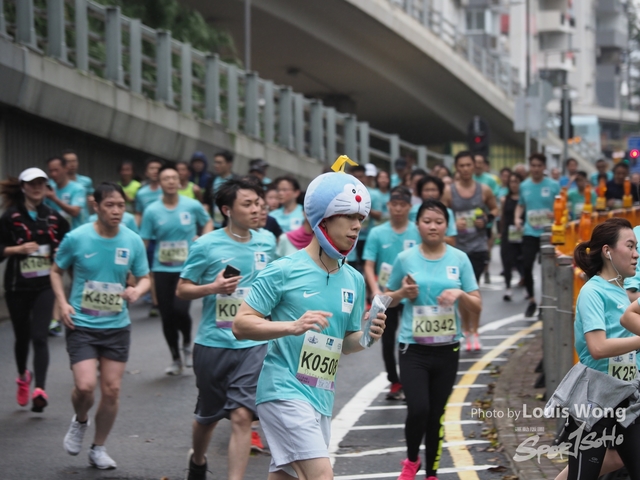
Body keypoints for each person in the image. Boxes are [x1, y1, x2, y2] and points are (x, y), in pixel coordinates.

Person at [233, 165, 386, 480]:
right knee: (320, 475)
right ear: (323, 219)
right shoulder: (283, 270)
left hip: (321, 396)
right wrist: (291, 326)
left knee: (287, 476)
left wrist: (368, 336)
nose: (357, 226)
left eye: (360, 218)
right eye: (349, 216)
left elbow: (346, 343)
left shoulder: (354, 280)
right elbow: (241, 324)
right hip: (282, 391)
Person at [177, 177, 276, 480]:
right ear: (227, 210)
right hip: (213, 343)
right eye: (247, 204)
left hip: (253, 343)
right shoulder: (205, 245)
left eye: (257, 203)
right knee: (207, 418)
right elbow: (182, 289)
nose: (255, 209)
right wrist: (213, 287)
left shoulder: (267, 241)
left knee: (243, 416)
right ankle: (198, 459)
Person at [51, 182, 149, 470]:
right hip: (81, 323)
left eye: (121, 205)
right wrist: (63, 303)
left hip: (116, 325)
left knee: (112, 390)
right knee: (85, 387)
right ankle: (80, 420)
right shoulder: (76, 238)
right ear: (95, 206)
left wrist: (137, 290)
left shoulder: (132, 240)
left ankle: (98, 447)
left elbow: (145, 277)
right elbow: (56, 271)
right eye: (110, 205)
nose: (117, 211)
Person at [385, 199, 481, 480]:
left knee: (436, 413)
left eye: (439, 222)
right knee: (418, 409)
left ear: (446, 226)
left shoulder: (459, 259)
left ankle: (432, 473)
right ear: (417, 225)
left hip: (447, 349)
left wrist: (460, 294)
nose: (433, 226)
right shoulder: (405, 259)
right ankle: (412, 460)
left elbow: (477, 304)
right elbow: (387, 299)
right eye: (427, 221)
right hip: (413, 348)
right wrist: (402, 294)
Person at [551, 218, 640, 480]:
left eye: (637, 247)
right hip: (594, 400)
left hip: (626, 397)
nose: (636, 254)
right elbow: (598, 347)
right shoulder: (592, 292)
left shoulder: (622, 291)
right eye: (630, 246)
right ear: (607, 251)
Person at [0, 168, 70, 412]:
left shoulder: (54, 217)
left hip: (44, 285)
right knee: (22, 337)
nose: (37, 187)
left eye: (41, 183)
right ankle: (23, 376)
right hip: (17, 286)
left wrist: (60, 253)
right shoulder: (10, 217)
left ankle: (40, 389)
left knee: (40, 336)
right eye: (32, 183)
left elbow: (68, 245)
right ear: (23, 187)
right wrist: (16, 250)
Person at [140, 165, 212, 375]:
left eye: (174, 177)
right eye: (166, 178)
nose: (171, 181)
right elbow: (144, 241)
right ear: (159, 183)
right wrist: (138, 270)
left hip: (186, 269)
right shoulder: (152, 210)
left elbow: (207, 221)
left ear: (179, 182)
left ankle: (187, 343)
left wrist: (203, 238)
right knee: (167, 315)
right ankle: (175, 358)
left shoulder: (191, 205)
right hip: (161, 269)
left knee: (180, 310)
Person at [363, 186, 421, 401]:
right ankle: (395, 381)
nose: (398, 209)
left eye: (402, 205)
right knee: (387, 339)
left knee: (412, 337)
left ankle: (412, 379)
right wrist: (375, 290)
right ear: (388, 206)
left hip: (412, 293)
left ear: (409, 207)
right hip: (386, 293)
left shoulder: (418, 231)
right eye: (394, 204)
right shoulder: (377, 232)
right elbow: (369, 264)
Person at [441, 151, 497, 351]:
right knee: (462, 291)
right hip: (457, 249)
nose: (465, 169)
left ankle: (475, 330)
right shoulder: (449, 192)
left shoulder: (484, 190)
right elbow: (441, 215)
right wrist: (453, 224)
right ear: (457, 168)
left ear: (474, 166)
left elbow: (494, 209)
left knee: (473, 291)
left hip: (478, 247)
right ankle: (466, 328)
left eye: (468, 165)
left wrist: (486, 219)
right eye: (461, 165)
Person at [514, 153, 560, 318]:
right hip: (530, 232)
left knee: (547, 269)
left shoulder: (553, 185)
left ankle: (544, 303)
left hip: (549, 232)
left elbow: (562, 207)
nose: (536, 169)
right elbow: (520, 205)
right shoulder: (524, 185)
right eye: (533, 165)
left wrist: (554, 214)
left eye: (539, 166)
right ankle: (532, 300)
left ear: (544, 167)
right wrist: (517, 218)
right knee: (526, 266)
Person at [134, 157, 164, 317]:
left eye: (158, 169)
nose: (155, 172)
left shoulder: (167, 190)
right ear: (146, 172)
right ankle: (156, 303)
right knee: (151, 270)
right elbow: (138, 213)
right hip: (149, 237)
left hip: (167, 238)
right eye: (151, 168)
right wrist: (134, 230)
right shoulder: (141, 193)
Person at [409, 175, 457, 246]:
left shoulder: (448, 212)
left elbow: (452, 240)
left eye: (433, 190)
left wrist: (432, 236)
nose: (430, 194)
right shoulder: (412, 211)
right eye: (426, 190)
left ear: (440, 191)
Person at [45, 156, 87, 230]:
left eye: (56, 170)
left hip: (74, 232)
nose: (53, 174)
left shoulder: (78, 189)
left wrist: (54, 199)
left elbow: (75, 212)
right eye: (51, 171)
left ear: (66, 168)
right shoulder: (49, 189)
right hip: (57, 233)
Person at [499, 173, 523, 302]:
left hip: (522, 233)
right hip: (508, 233)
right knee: (506, 260)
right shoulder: (505, 199)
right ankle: (508, 287)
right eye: (512, 182)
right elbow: (502, 216)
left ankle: (525, 283)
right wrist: (501, 231)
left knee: (522, 261)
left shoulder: (524, 199)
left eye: (517, 181)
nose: (514, 184)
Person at [204, 150, 239, 228]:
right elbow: (206, 201)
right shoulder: (211, 179)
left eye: (219, 163)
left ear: (229, 164)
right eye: (215, 162)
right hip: (212, 223)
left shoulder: (236, 181)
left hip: (230, 224)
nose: (216, 165)